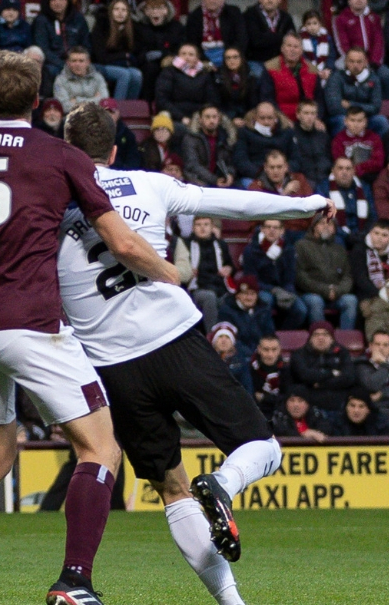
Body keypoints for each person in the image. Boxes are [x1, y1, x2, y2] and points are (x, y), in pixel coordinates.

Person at [0, 54, 178, 605]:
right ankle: (75, 581)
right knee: (100, 450)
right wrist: (170, 275)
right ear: (37, 103)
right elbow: (121, 243)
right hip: (30, 322)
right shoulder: (61, 154)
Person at [57, 108, 328, 601]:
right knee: (263, 448)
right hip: (174, 340)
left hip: (112, 367)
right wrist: (303, 204)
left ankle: (233, 601)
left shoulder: (50, 204)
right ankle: (224, 483)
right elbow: (229, 203)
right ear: (116, 149)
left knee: (172, 490)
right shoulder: (150, 184)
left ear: (68, 148)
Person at [242, 219, 308, 328]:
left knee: (300, 309)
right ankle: (268, 335)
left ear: (282, 231)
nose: (271, 230)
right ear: (262, 229)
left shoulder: (289, 249)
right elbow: (251, 279)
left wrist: (287, 292)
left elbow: (290, 277)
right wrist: (273, 290)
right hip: (262, 290)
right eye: (268, 227)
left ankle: (285, 335)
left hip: (283, 289)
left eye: (276, 227)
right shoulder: (250, 250)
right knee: (266, 301)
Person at [296, 217, 359, 330]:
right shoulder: (301, 245)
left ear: (335, 229)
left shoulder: (339, 249)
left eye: (330, 224)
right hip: (310, 293)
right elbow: (300, 276)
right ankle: (321, 338)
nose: (326, 226)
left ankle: (345, 339)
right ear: (314, 226)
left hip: (336, 293)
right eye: (322, 223)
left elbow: (347, 277)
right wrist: (325, 290)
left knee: (350, 300)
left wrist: (337, 290)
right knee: (316, 302)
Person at [178, 215, 233, 330]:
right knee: (210, 297)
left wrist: (228, 268)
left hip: (219, 286)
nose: (202, 228)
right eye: (198, 225)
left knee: (231, 299)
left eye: (206, 225)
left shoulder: (220, 244)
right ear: (193, 228)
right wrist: (188, 270)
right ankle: (211, 334)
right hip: (196, 288)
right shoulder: (186, 244)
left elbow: (230, 265)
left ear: (212, 227)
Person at [290, 320, 358, 410]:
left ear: (332, 338)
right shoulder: (299, 354)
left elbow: (349, 377)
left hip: (339, 406)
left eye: (325, 334)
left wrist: (320, 384)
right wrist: (331, 373)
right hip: (309, 407)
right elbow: (305, 375)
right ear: (310, 338)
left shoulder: (342, 352)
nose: (321, 338)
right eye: (316, 334)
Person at [33, 0, 89, 85]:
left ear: (67, 1)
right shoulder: (42, 20)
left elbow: (86, 44)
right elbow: (43, 48)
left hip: (78, 60)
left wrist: (79, 62)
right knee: (49, 71)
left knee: (97, 71)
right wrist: (64, 64)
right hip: (54, 63)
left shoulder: (78, 19)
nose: (57, 3)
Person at [184, 0, 246, 68]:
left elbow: (241, 39)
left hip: (229, 55)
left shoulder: (234, 13)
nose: (212, 0)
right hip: (203, 57)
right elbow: (192, 43)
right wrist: (205, 62)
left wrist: (230, 58)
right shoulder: (194, 16)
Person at [90, 0, 144, 100]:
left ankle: (130, 109)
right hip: (101, 65)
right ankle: (116, 109)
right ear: (111, 11)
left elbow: (137, 53)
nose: (120, 13)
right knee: (124, 74)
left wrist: (127, 58)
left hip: (122, 65)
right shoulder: (101, 26)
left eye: (124, 10)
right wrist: (124, 56)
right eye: (116, 9)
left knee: (137, 75)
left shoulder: (133, 29)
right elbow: (100, 56)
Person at [325, 48, 387, 136]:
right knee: (341, 121)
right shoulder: (336, 78)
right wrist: (353, 120)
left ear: (365, 62)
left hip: (365, 119)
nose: (355, 65)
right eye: (351, 61)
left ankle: (376, 148)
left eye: (359, 62)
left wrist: (351, 104)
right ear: (345, 62)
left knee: (381, 121)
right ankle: (338, 148)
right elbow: (334, 107)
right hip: (344, 117)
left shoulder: (373, 79)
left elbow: (376, 107)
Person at [135, 0, 186, 100]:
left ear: (166, 10)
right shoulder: (140, 28)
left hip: (172, 62)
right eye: (151, 9)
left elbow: (181, 49)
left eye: (158, 8)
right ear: (146, 12)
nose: (155, 12)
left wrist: (164, 54)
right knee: (150, 69)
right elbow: (136, 50)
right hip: (148, 67)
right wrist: (145, 56)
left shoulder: (176, 27)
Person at [261, 32, 319, 121]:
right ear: (282, 48)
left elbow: (319, 99)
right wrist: (282, 119)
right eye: (289, 46)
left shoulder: (312, 70)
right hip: (280, 117)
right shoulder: (270, 68)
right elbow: (267, 99)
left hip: (308, 117)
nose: (292, 50)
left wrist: (317, 118)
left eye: (296, 47)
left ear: (301, 50)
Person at [156, 44, 219, 122]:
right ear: (177, 56)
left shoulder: (205, 75)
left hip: (199, 118)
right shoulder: (169, 72)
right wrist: (181, 117)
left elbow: (212, 100)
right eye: (183, 54)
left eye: (191, 54)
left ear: (197, 58)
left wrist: (199, 118)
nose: (187, 57)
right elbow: (162, 100)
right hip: (174, 116)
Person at [234, 103, 296, 182]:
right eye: (262, 118)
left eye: (270, 118)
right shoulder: (245, 132)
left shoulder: (286, 132)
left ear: (275, 117)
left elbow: (295, 158)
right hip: (254, 176)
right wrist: (260, 174)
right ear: (255, 117)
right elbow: (240, 160)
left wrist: (282, 172)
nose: (266, 122)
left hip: (282, 176)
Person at [332, 0, 384, 77]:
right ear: (349, 0)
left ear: (367, 0)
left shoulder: (374, 18)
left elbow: (378, 42)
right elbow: (342, 44)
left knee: (385, 76)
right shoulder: (341, 19)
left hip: (372, 62)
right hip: (350, 62)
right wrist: (356, 62)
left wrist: (373, 62)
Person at [322, 156, 378, 240]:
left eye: (348, 169)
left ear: (354, 171)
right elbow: (324, 217)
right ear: (333, 171)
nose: (344, 172)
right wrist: (346, 235)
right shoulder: (324, 188)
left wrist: (363, 234)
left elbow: (372, 215)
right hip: (337, 235)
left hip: (362, 234)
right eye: (340, 168)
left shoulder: (364, 188)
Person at [218, 276, 275, 354]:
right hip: (238, 356)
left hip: (261, 355)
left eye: (252, 294)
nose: (249, 298)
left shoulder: (264, 310)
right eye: (245, 293)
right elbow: (229, 338)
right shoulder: (227, 311)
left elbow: (270, 335)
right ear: (237, 295)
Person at [243, 0, 295, 68]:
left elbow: (291, 40)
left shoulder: (286, 17)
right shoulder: (249, 15)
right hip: (256, 61)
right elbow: (256, 41)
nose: (270, 0)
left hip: (280, 61)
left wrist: (267, 37)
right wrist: (281, 37)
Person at [182, 105, 236, 187]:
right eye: (207, 117)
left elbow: (230, 162)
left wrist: (229, 174)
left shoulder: (226, 138)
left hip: (220, 180)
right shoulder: (191, 138)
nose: (211, 120)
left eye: (214, 117)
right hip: (197, 181)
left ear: (219, 119)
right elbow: (192, 164)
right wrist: (214, 180)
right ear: (200, 119)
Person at [352, 220, 389, 337]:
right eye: (376, 233)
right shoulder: (359, 250)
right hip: (369, 296)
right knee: (376, 311)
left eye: (384, 235)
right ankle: (376, 348)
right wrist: (382, 293)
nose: (379, 238)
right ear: (370, 233)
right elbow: (360, 279)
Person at [331, 106, 385, 182]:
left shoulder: (374, 138)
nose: (356, 124)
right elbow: (339, 161)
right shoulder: (338, 139)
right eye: (352, 120)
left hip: (371, 176)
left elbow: (378, 162)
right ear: (345, 121)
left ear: (365, 122)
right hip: (347, 177)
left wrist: (358, 168)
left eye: (359, 121)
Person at [53, 46, 108, 114]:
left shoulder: (98, 77)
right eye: (74, 61)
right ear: (68, 62)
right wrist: (95, 99)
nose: (77, 64)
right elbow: (64, 107)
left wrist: (76, 100)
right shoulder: (60, 80)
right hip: (72, 118)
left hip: (95, 117)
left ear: (88, 62)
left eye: (81, 61)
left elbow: (104, 102)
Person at [216, 47, 259, 125]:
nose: (232, 61)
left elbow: (254, 102)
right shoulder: (217, 78)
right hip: (225, 117)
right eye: (228, 58)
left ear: (241, 58)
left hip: (248, 117)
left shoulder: (251, 76)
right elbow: (217, 103)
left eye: (235, 57)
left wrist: (247, 118)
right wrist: (232, 118)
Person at [291, 100, 330, 184]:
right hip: (302, 179)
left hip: (324, 178)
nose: (310, 117)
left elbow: (328, 157)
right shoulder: (291, 135)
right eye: (306, 113)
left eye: (313, 113)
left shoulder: (323, 135)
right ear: (298, 115)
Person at [251, 334, 290, 420]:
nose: (270, 354)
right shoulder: (250, 368)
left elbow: (288, 397)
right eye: (266, 350)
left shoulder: (287, 369)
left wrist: (264, 398)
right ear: (259, 349)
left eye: (274, 350)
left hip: (281, 413)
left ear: (279, 350)